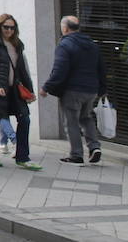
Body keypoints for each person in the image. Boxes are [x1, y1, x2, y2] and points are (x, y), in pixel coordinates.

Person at [41, 14, 107, 165]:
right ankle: (94, 147)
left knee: (71, 121)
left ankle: (76, 154)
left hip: (72, 90)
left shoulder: (65, 45)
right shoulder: (92, 45)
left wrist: (47, 87)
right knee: (86, 117)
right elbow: (101, 68)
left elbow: (59, 70)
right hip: (91, 90)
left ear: (64, 28)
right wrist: (102, 88)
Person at [0, 12, 42, 170]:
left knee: (25, 119)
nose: (9, 30)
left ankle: (23, 157)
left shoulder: (17, 44)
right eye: (6, 27)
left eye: (12, 28)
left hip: (15, 90)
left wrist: (30, 91)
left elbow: (22, 70)